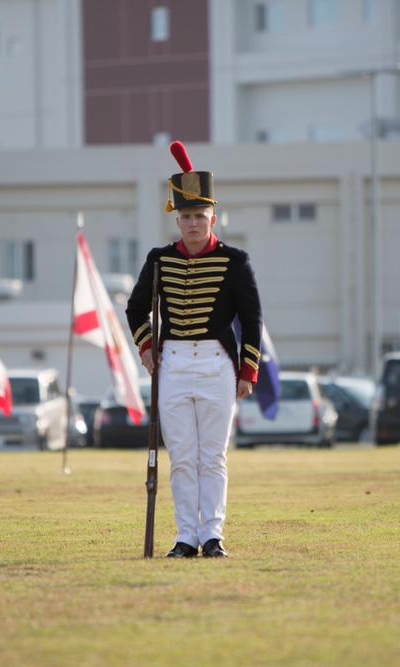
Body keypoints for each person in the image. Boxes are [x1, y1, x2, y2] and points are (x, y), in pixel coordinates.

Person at [126, 141, 263, 559]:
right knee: (182, 456)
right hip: (173, 364)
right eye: (185, 216)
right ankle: (186, 536)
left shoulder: (235, 261)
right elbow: (135, 308)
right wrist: (147, 347)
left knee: (213, 456)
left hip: (218, 365)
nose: (192, 224)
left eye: (199, 217)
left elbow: (252, 318)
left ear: (212, 218)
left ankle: (213, 534)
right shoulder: (159, 260)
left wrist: (247, 371)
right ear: (177, 219)